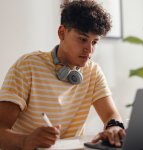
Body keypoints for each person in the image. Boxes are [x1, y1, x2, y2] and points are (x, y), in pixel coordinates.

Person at [0, 0, 126, 149]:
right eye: (83, 39)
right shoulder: (27, 66)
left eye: (94, 42)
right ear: (62, 33)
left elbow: (111, 114)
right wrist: (26, 141)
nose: (89, 50)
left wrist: (114, 127)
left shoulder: (93, 72)